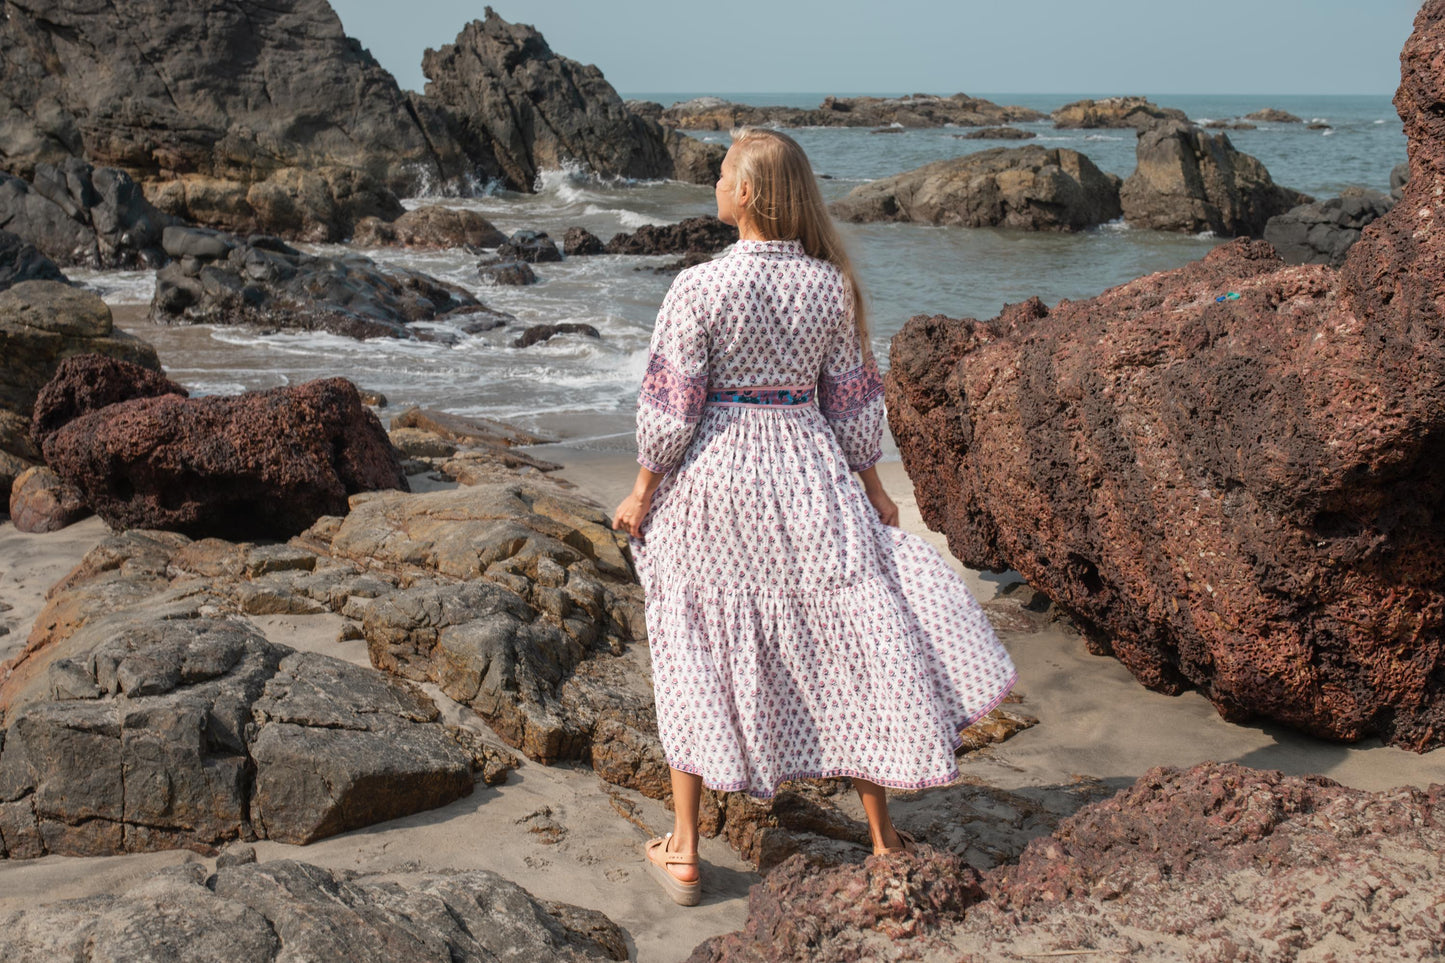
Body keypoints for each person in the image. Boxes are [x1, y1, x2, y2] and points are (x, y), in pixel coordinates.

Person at [612, 127, 1017, 907]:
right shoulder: (829, 285)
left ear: (751, 193)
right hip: (807, 469)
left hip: (719, 477)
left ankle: (687, 849)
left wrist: (641, 486)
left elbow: (672, 404)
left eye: (724, 172)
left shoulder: (699, 286)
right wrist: (871, 485)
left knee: (694, 640)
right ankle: (882, 837)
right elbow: (854, 399)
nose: (715, 182)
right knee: (850, 641)